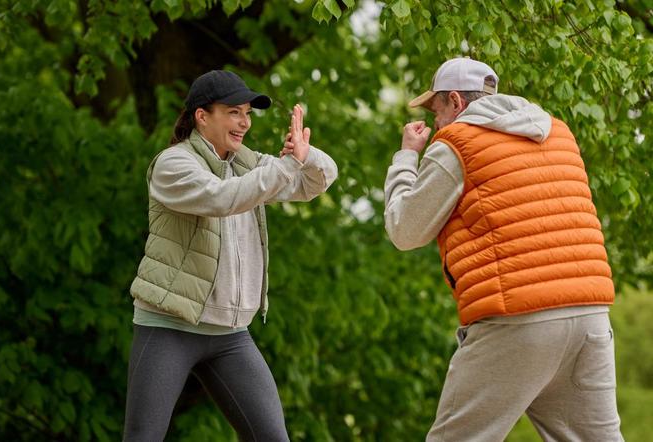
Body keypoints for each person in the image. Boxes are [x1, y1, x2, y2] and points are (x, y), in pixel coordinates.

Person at [384, 57, 623, 441]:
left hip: (518, 321)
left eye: (437, 109)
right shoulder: (558, 133)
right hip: (590, 319)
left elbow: (404, 229)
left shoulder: (457, 142)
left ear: (457, 102)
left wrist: (407, 157)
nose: (435, 123)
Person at [123, 70, 338, 441]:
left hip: (231, 335)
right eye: (234, 112)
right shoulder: (173, 165)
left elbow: (315, 183)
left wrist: (306, 155)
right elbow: (223, 198)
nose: (244, 122)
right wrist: (286, 167)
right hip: (169, 326)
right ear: (201, 116)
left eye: (248, 114)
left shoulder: (245, 163)